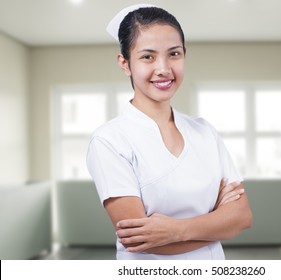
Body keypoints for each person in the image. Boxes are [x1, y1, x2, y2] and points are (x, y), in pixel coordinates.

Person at [86, 4, 252, 260]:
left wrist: (174, 230)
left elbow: (241, 217)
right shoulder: (109, 140)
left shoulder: (204, 131)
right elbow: (139, 238)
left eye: (174, 54)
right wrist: (215, 219)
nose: (163, 69)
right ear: (125, 63)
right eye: (147, 57)